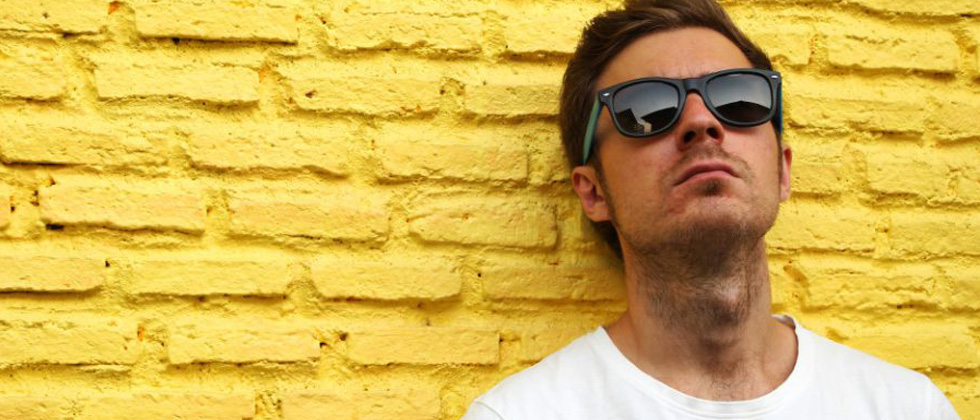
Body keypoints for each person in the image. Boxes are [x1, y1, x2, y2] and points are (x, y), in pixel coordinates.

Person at [461, 0, 962, 419]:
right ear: (594, 192)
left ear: (783, 170)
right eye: (647, 110)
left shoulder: (907, 408)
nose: (701, 121)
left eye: (738, 100)